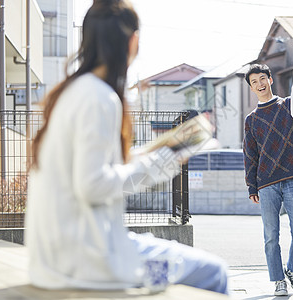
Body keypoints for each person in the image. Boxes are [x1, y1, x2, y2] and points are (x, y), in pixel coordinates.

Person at [25, 0, 228, 294]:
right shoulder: (100, 98)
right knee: (215, 273)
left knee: (175, 258)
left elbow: (97, 165)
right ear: (133, 41)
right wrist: (162, 162)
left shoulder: (73, 92)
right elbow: (93, 184)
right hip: (91, 264)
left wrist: (160, 150)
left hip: (54, 260)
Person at [243, 64, 293, 296]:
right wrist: (252, 185)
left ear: (270, 80)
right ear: (251, 88)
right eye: (254, 82)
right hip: (266, 182)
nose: (259, 84)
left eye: (262, 79)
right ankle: (278, 280)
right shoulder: (251, 120)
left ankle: (292, 270)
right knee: (271, 236)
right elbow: (250, 155)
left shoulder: (289, 105)